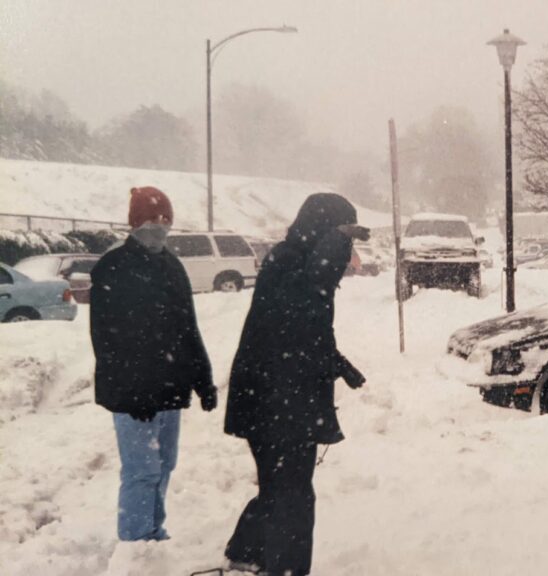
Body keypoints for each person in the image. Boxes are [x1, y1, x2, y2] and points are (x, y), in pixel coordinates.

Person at [224, 192, 368, 576]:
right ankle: (284, 569)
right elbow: (299, 303)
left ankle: (248, 551)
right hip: (274, 399)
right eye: (343, 237)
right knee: (293, 495)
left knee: (282, 485)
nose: (346, 249)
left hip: (280, 398)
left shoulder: (300, 264)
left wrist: (339, 363)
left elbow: (304, 329)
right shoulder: (287, 262)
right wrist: (334, 243)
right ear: (322, 232)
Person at [90, 186, 217, 541]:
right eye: (151, 219)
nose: (159, 226)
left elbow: (187, 327)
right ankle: (135, 544)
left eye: (165, 220)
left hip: (169, 387)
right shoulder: (113, 266)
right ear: (134, 222)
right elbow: (108, 340)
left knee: (163, 467)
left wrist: (202, 380)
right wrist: (134, 393)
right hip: (132, 395)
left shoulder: (171, 265)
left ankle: (154, 536)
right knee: (141, 471)